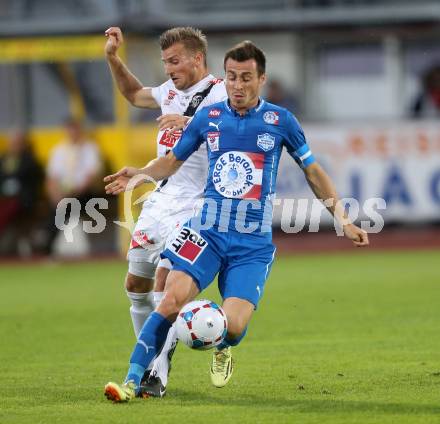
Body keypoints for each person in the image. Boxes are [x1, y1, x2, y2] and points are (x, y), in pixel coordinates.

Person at [103, 40, 369, 403]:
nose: (237, 85)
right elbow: (172, 162)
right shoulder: (209, 118)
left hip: (251, 245)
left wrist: (343, 219)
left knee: (232, 327)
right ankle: (134, 379)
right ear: (224, 77)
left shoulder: (280, 121)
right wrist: (142, 172)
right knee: (168, 299)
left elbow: (312, 171)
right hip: (207, 232)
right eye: (231, 77)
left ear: (261, 79)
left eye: (246, 78)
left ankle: (222, 345)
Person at [104, 26, 227, 397]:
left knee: (164, 283)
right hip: (162, 197)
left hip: (199, 201)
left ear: (197, 58)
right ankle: (155, 360)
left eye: (175, 61)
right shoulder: (168, 92)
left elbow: (236, 132)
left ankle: (154, 373)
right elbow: (131, 93)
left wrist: (190, 123)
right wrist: (112, 57)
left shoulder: (222, 92)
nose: (169, 68)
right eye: (165, 62)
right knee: (135, 285)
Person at [43, 118, 102, 255]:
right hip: (63, 196)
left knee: (64, 208)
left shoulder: (90, 148)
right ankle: (45, 240)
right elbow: (52, 178)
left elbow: (91, 177)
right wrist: (55, 196)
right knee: (60, 207)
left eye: (74, 129)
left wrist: (72, 192)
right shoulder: (58, 150)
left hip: (85, 194)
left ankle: (46, 243)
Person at [0, 130, 42, 255]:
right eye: (12, 143)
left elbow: (32, 183)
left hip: (22, 199)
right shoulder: (3, 159)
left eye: (17, 143)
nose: (14, 146)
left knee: (8, 209)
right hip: (3, 198)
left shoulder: (30, 161)